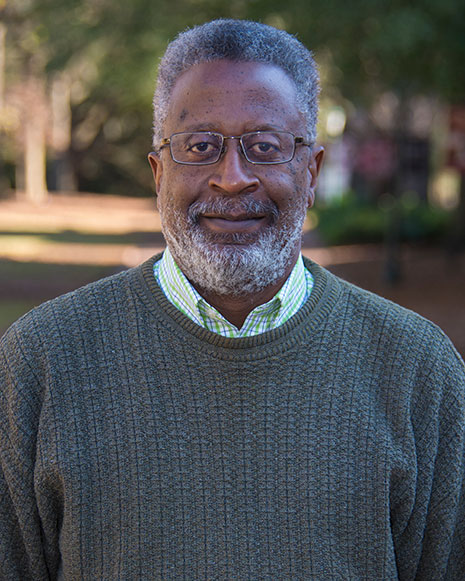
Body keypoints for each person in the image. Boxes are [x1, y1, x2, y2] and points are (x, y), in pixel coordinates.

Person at [1, 19, 464, 580]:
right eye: (200, 147)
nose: (232, 178)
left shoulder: (418, 369)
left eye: (264, 147)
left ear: (311, 172)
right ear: (158, 174)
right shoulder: (41, 362)